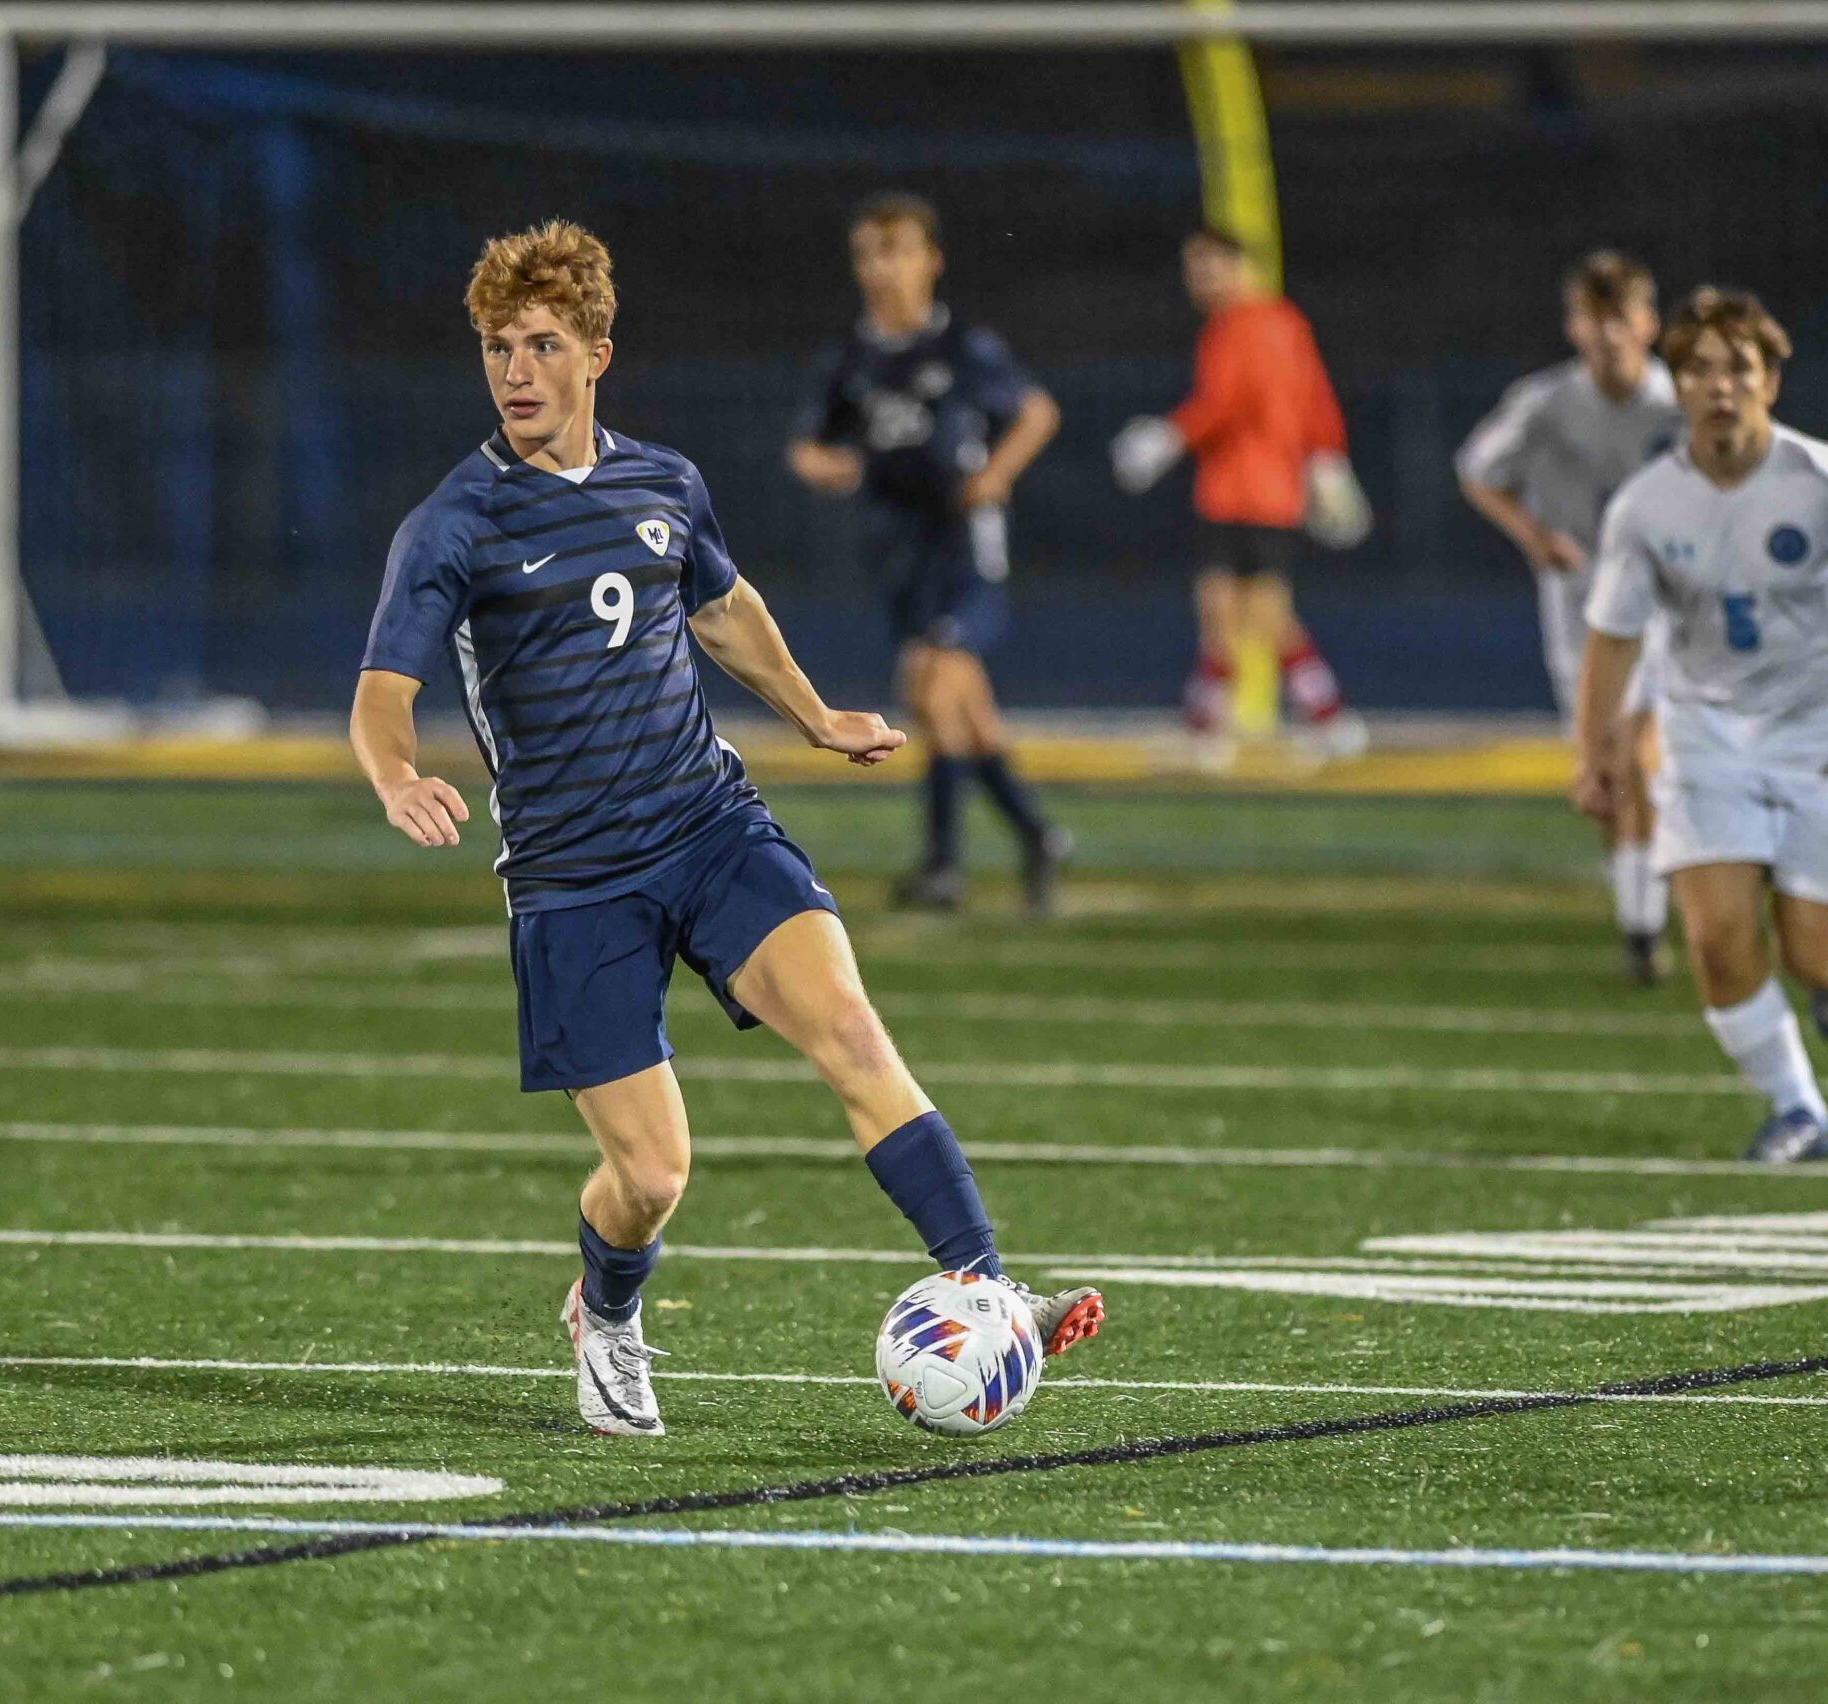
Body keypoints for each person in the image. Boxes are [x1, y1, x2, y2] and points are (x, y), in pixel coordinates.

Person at [349, 219, 1103, 1437]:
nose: (516, 372)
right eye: (497, 348)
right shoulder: (455, 521)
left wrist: (813, 715)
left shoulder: (665, 482)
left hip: (709, 827)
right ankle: (605, 1311)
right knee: (652, 1175)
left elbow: (725, 607)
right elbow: (383, 691)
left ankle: (986, 1282)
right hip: (574, 880)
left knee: (850, 1029)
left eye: (543, 345)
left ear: (598, 354)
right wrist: (393, 776)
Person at [1575, 288, 1828, 1163]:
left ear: (1771, 381)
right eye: (1698, 370)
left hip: (1827, 733)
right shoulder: (1645, 507)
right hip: (1706, 736)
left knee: (1816, 957)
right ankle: (1797, 1109)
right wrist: (1595, 755)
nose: (1719, 387)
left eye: (1738, 369)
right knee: (1716, 939)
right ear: (1676, 385)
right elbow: (1613, 638)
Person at [788, 193, 1070, 914]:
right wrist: (829, 466)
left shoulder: (963, 349)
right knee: (960, 708)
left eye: (898, 251)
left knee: (935, 684)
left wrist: (996, 474)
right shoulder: (850, 360)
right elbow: (807, 448)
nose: (883, 268)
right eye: (870, 254)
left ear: (932, 261)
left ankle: (944, 865)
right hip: (900, 550)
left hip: (961, 543)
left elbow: (1037, 412)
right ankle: (1037, 835)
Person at [1457, 250, 1683, 984]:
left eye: (1621, 318)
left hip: (1663, 603)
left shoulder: (1680, 403)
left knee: (1640, 755)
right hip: (1578, 603)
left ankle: (1645, 928)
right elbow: (1477, 472)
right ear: (1574, 327)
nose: (1609, 334)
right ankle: (1639, 901)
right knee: (1605, 772)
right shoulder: (1545, 403)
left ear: (1648, 324)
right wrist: (1532, 537)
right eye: (1594, 319)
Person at [1111, 226, 1371, 766]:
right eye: (1194, 271)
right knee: (1241, 612)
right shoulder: (1286, 322)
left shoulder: (1236, 325)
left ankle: (1289, 725)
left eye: (1208, 268)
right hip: (1271, 493)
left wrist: (1169, 436)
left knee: (1243, 613)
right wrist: (1327, 456)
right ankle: (1244, 728)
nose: (1199, 281)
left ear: (1239, 266)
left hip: (1240, 491)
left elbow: (1228, 400)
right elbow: (1315, 396)